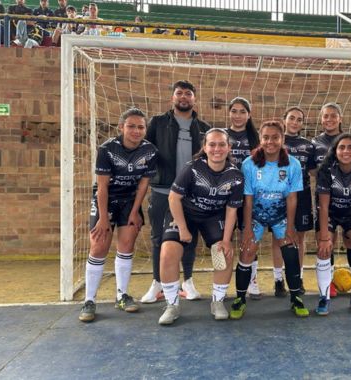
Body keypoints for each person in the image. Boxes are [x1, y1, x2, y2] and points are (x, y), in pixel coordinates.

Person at [78, 108, 158, 322]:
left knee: (126, 246)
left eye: (140, 127)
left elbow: (143, 186)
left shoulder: (150, 151)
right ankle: (89, 301)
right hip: (106, 200)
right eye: (131, 126)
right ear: (121, 127)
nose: (136, 130)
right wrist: (103, 218)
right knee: (99, 245)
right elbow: (102, 188)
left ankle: (121, 295)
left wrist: (134, 211)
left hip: (130, 201)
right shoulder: (107, 149)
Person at [157, 129, 244, 325]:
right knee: (168, 253)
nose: (217, 149)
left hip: (213, 215)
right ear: (204, 147)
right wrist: (183, 228)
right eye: (212, 144)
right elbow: (173, 198)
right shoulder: (193, 168)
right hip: (184, 213)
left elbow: (232, 210)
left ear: (229, 147)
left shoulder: (235, 176)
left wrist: (227, 240)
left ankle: (218, 301)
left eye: (222, 144)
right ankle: (172, 305)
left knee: (225, 253)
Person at [140, 80, 212, 304]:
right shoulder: (158, 123)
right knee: (158, 238)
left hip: (192, 193)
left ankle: (187, 280)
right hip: (163, 190)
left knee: (188, 237)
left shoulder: (204, 128)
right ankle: (157, 282)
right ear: (172, 98)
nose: (183, 97)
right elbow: (146, 152)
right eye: (179, 93)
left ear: (194, 99)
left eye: (188, 93)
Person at [230, 120, 309, 319]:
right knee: (247, 251)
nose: (270, 141)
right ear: (260, 139)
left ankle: (296, 298)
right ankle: (240, 298)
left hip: (280, 216)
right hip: (255, 215)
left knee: (290, 251)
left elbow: (292, 198)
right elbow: (247, 199)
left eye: (275, 137)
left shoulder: (293, 164)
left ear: (282, 139)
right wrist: (247, 228)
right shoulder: (249, 164)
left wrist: (290, 227)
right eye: (266, 137)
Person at [315, 133, 351, 316]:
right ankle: (324, 297)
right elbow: (323, 206)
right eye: (342, 147)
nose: (346, 151)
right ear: (335, 151)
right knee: (324, 249)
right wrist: (325, 238)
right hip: (330, 213)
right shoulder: (326, 170)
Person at [311, 102, 351, 297]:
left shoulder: (348, 141)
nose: (329, 119)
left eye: (333, 116)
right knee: (327, 240)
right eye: (325, 116)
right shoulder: (315, 143)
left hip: (348, 200)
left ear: (340, 118)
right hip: (325, 199)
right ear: (321, 119)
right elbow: (312, 169)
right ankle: (328, 283)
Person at [270, 106, 316, 298]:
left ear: (302, 124)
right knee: (278, 237)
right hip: (279, 195)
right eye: (292, 118)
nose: (295, 122)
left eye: (299, 119)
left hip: (302, 194)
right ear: (284, 120)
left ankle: (298, 277)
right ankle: (278, 280)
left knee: (299, 238)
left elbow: (314, 172)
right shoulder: (276, 142)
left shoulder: (308, 145)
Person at [224, 97, 261, 299]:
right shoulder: (223, 135)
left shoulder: (255, 138)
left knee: (249, 235)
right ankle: (223, 280)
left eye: (242, 111)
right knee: (225, 237)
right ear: (229, 113)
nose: (238, 115)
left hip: (249, 194)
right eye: (234, 111)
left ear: (249, 114)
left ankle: (251, 279)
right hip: (225, 192)